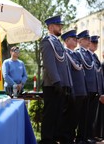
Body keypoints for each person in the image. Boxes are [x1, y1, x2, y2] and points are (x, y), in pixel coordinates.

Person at [39, 15, 73, 144]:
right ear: (51, 26)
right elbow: (49, 63)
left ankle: (52, 139)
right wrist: (56, 81)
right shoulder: (47, 41)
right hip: (52, 84)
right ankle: (47, 140)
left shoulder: (57, 42)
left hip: (60, 84)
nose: (61, 28)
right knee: (50, 114)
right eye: (59, 26)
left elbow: (63, 65)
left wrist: (66, 83)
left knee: (57, 115)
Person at [61, 30, 87, 143]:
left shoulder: (75, 54)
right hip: (73, 90)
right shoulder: (65, 54)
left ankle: (71, 138)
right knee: (69, 118)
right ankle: (67, 139)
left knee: (76, 118)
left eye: (76, 39)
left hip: (81, 91)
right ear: (66, 41)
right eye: (73, 39)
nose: (76, 41)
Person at [76, 30, 99, 143]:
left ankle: (85, 137)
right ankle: (80, 137)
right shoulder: (79, 52)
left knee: (88, 116)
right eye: (86, 39)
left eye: (89, 39)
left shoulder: (89, 54)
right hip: (85, 88)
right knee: (82, 116)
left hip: (92, 88)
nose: (89, 41)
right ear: (80, 41)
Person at [89, 35, 103, 141]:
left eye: (96, 43)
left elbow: (100, 76)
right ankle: (87, 136)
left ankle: (91, 136)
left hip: (96, 90)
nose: (95, 45)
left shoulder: (95, 57)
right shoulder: (86, 55)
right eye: (93, 43)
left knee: (93, 115)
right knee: (88, 116)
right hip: (89, 90)